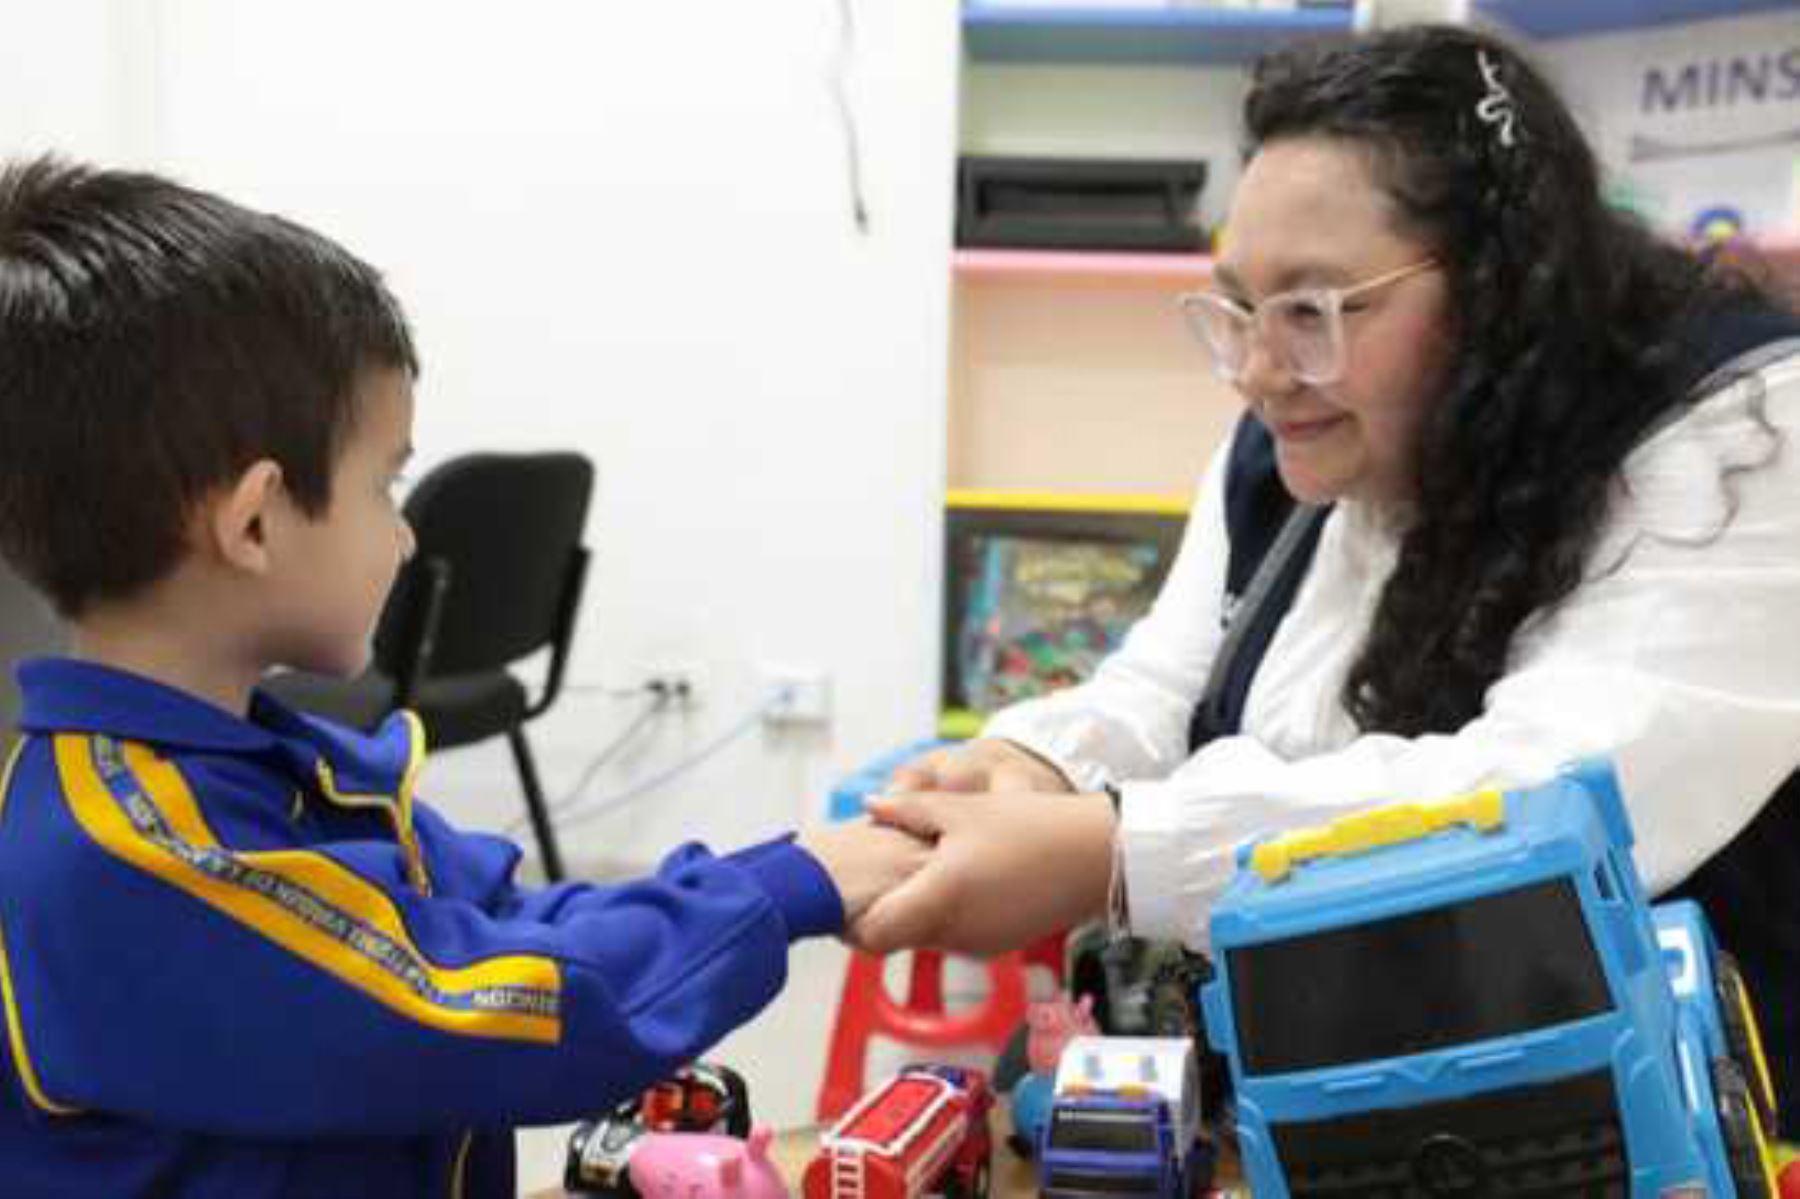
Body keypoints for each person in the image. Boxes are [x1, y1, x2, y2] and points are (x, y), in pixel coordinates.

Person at [857, 23, 1800, 1128]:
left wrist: (1117, 850)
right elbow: (1162, 686)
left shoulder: (1748, 435)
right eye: (1242, 307)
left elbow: (1551, 803)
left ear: (1503, 289)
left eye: (1313, 310)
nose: (1259, 371)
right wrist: (1029, 762)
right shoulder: (1297, 440)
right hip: (1349, 1089)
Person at [0, 156, 927, 1198]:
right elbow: (483, 1006)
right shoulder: (133, 854)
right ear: (255, 520)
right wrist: (786, 890)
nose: (402, 535)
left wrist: (797, 859)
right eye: (385, 482)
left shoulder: (290, 768)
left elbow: (498, 924)